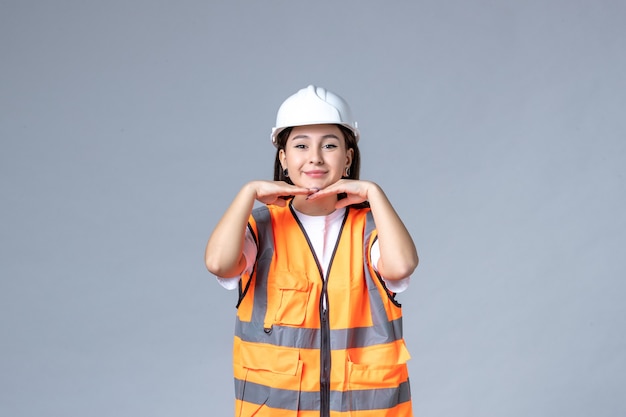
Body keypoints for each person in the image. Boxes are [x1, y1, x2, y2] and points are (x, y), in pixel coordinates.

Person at [205, 85, 419, 417]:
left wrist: (374, 194)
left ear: (347, 158)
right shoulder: (260, 227)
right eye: (301, 145)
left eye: (330, 145)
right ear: (284, 158)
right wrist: (248, 193)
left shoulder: (371, 229)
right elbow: (219, 264)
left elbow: (401, 266)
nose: (315, 157)